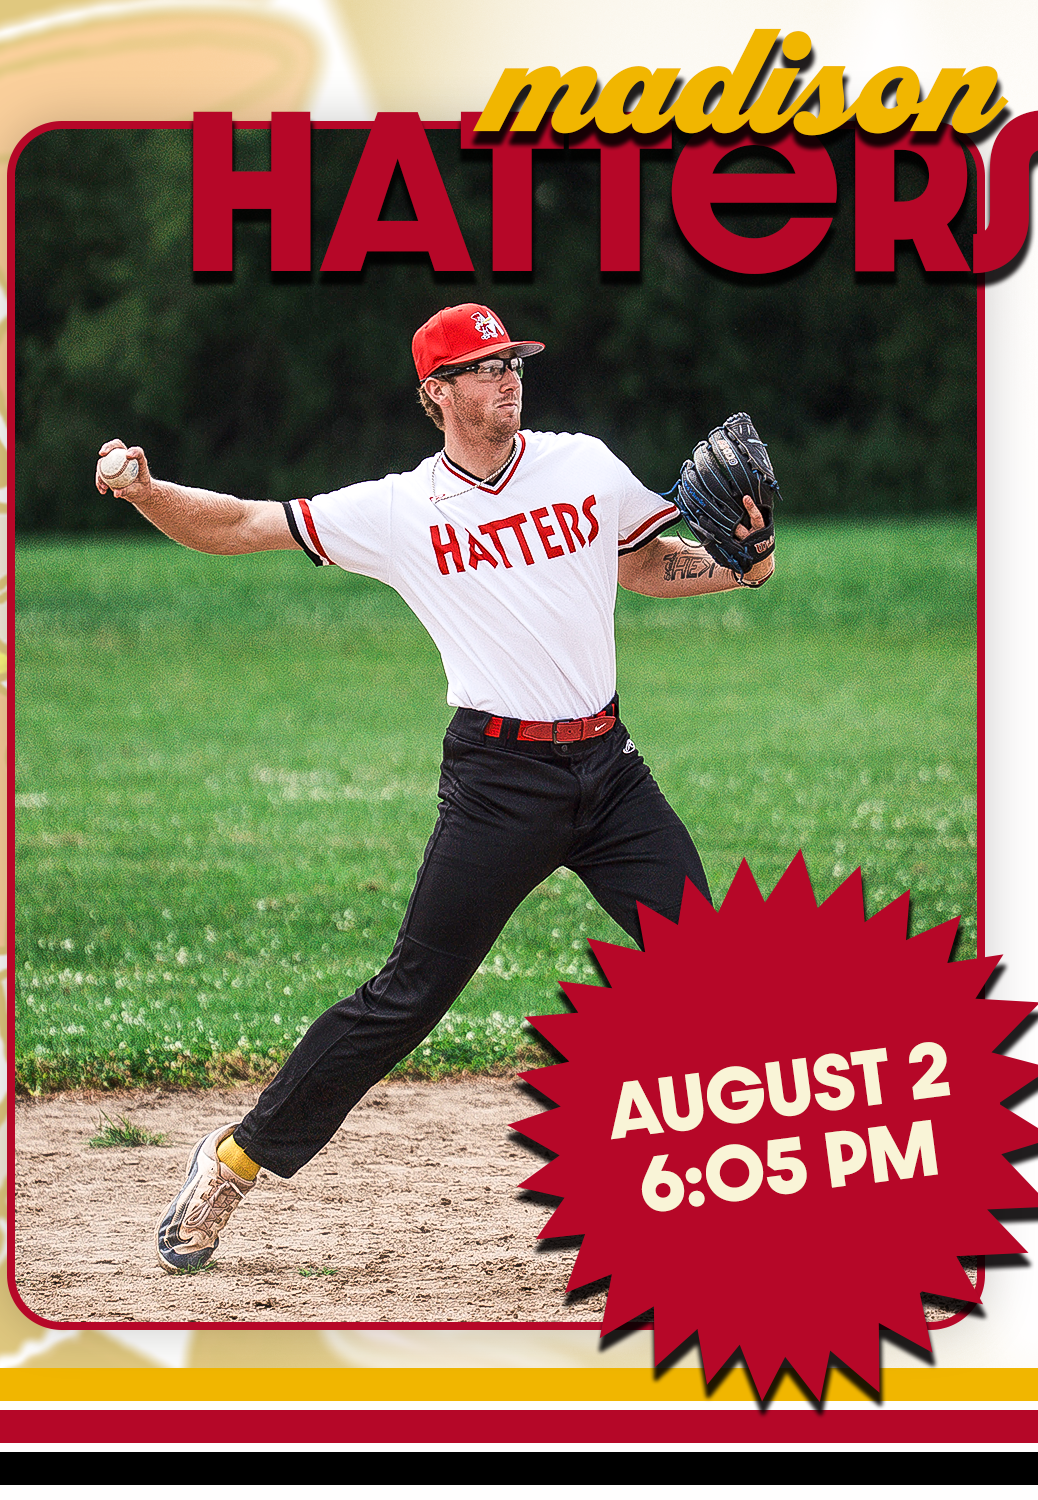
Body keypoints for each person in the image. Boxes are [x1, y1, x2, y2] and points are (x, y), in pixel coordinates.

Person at [93, 303, 774, 1273]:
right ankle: (233, 1162)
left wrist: (734, 571)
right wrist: (150, 491)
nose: (509, 379)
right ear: (437, 394)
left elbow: (649, 568)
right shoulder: (401, 510)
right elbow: (245, 524)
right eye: (486, 368)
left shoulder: (582, 465)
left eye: (514, 363)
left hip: (610, 770)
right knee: (409, 995)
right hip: (500, 783)